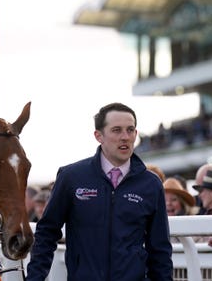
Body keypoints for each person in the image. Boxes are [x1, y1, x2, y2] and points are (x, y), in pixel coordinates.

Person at [26, 102, 173, 281]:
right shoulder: (71, 177)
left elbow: (160, 250)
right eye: (116, 130)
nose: (125, 137)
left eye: (130, 130)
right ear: (99, 136)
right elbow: (47, 233)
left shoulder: (151, 184)